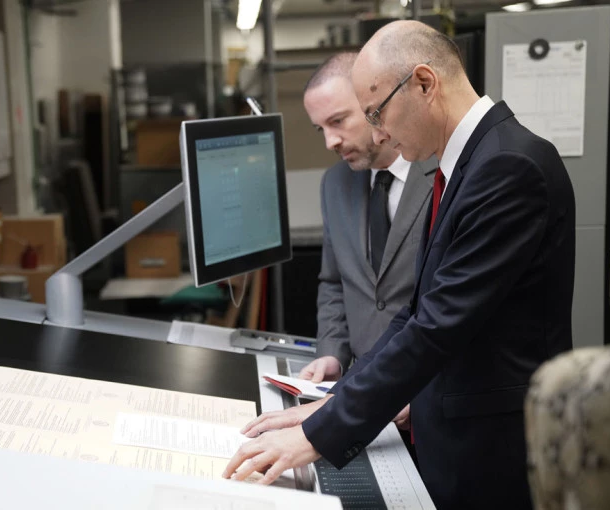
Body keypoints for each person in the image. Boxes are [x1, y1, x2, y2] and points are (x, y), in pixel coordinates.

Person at [223, 20, 575, 510]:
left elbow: (436, 327)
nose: (378, 132)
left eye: (377, 112)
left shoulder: (508, 167)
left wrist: (318, 434)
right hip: (453, 435)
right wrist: (332, 404)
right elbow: (416, 311)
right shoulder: (470, 164)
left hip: (494, 453)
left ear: (424, 84)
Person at [298, 53, 435, 437]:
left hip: (427, 402)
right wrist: (332, 352)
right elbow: (333, 283)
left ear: (374, 105)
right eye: (320, 129)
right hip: (358, 396)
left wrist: (424, 392)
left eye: (338, 121)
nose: (330, 141)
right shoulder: (335, 184)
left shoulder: (444, 176)